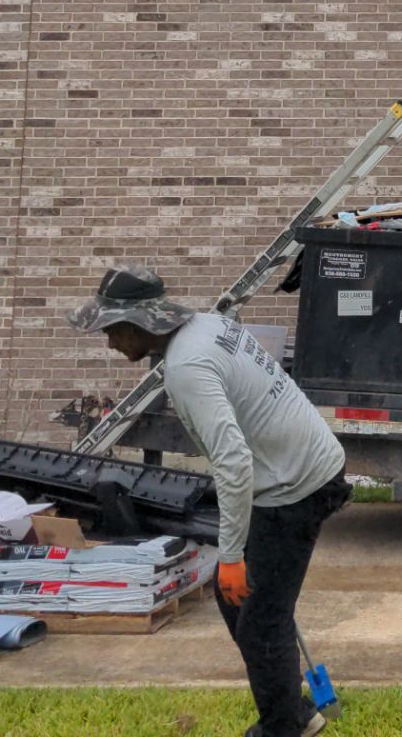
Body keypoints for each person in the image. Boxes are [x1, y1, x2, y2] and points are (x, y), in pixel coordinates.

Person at [70, 267, 350, 737]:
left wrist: (234, 556)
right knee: (240, 601)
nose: (110, 343)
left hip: (294, 486)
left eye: (113, 330)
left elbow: (234, 462)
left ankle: (286, 726)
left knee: (261, 620)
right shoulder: (206, 326)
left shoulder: (187, 366)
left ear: (144, 321)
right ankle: (293, 712)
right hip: (291, 471)